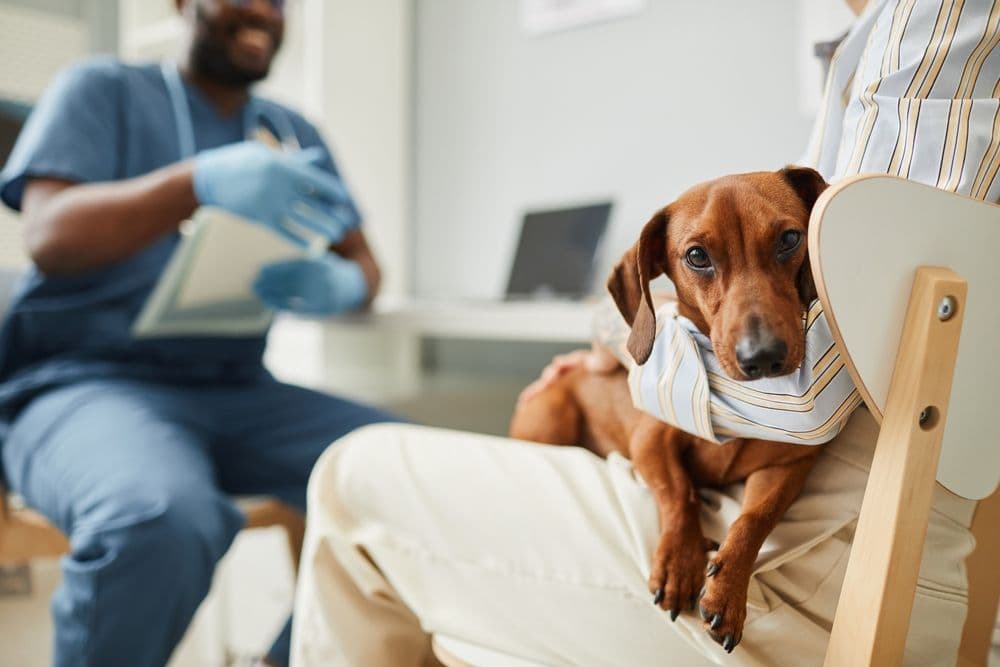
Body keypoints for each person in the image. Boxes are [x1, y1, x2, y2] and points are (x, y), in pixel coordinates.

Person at [290, 0, 999, 665]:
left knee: (350, 477)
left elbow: (807, 383)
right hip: (826, 536)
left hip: (818, 569)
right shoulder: (880, 45)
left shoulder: (933, 39)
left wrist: (624, 345)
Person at [0, 1, 401, 666]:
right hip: (84, 383)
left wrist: (346, 285)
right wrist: (197, 183)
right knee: (159, 520)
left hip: (238, 387)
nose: (262, 11)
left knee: (412, 474)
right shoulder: (102, 90)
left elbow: (364, 261)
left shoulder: (290, 131)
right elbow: (48, 235)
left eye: (277, 1)